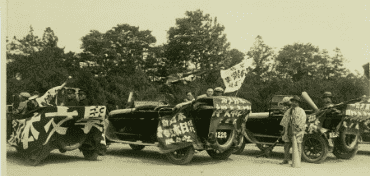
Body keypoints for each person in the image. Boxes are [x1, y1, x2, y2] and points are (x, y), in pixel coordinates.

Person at [279, 95, 307, 165]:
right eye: (293, 101)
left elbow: (303, 122)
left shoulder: (301, 111)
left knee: (297, 147)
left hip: (297, 131)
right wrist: (283, 130)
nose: (294, 103)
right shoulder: (288, 111)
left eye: (296, 102)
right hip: (288, 131)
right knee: (286, 146)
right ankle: (286, 159)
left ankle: (296, 161)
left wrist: (297, 130)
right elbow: (284, 121)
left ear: (298, 103)